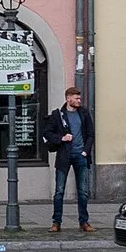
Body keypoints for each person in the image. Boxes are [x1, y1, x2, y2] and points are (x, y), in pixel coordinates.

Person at [41, 86, 93, 233]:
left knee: (83, 191)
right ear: (68, 98)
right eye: (76, 98)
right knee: (59, 191)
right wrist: (61, 138)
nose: (79, 101)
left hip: (80, 155)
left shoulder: (84, 114)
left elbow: (90, 134)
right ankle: (56, 222)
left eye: (79, 98)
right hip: (64, 156)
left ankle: (84, 222)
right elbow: (47, 133)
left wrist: (85, 151)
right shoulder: (58, 115)